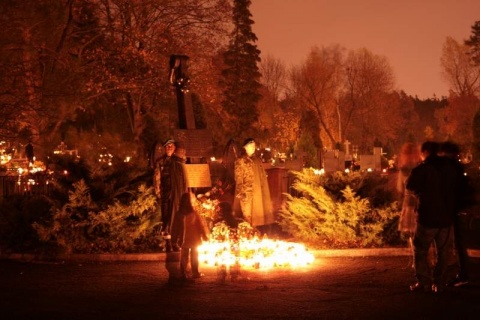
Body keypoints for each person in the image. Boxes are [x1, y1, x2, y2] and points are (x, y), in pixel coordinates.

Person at [406, 141, 463, 293]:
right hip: (446, 218)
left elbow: (410, 186)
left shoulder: (422, 169)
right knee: (443, 252)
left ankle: (424, 282)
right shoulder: (450, 169)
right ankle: (439, 283)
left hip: (427, 217)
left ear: (424, 152)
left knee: (420, 250)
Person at [439, 141, 474, 287]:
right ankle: (462, 273)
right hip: (460, 208)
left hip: (453, 209)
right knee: (459, 243)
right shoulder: (458, 168)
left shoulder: (449, 168)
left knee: (456, 243)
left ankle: (462, 274)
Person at [154, 139, 188, 252]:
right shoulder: (160, 162)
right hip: (165, 194)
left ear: (174, 148)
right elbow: (157, 178)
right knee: (166, 218)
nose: (169, 148)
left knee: (175, 218)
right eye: (167, 146)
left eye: (171, 146)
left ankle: (175, 242)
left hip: (176, 194)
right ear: (165, 148)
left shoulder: (178, 162)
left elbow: (183, 179)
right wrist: (158, 192)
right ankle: (167, 242)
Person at [233, 138, 275, 230]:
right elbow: (238, 178)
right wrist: (242, 194)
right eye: (251, 146)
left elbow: (262, 174)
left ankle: (254, 232)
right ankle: (247, 233)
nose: (253, 148)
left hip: (257, 191)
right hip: (246, 193)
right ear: (245, 147)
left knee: (257, 213)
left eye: (254, 146)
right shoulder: (241, 161)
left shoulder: (257, 160)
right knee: (247, 215)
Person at [179, 192, 210, 280]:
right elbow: (200, 225)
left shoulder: (180, 213)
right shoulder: (194, 213)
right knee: (194, 255)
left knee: (184, 256)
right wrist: (204, 235)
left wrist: (175, 238)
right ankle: (195, 272)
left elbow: (176, 226)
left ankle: (183, 273)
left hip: (184, 238)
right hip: (194, 237)